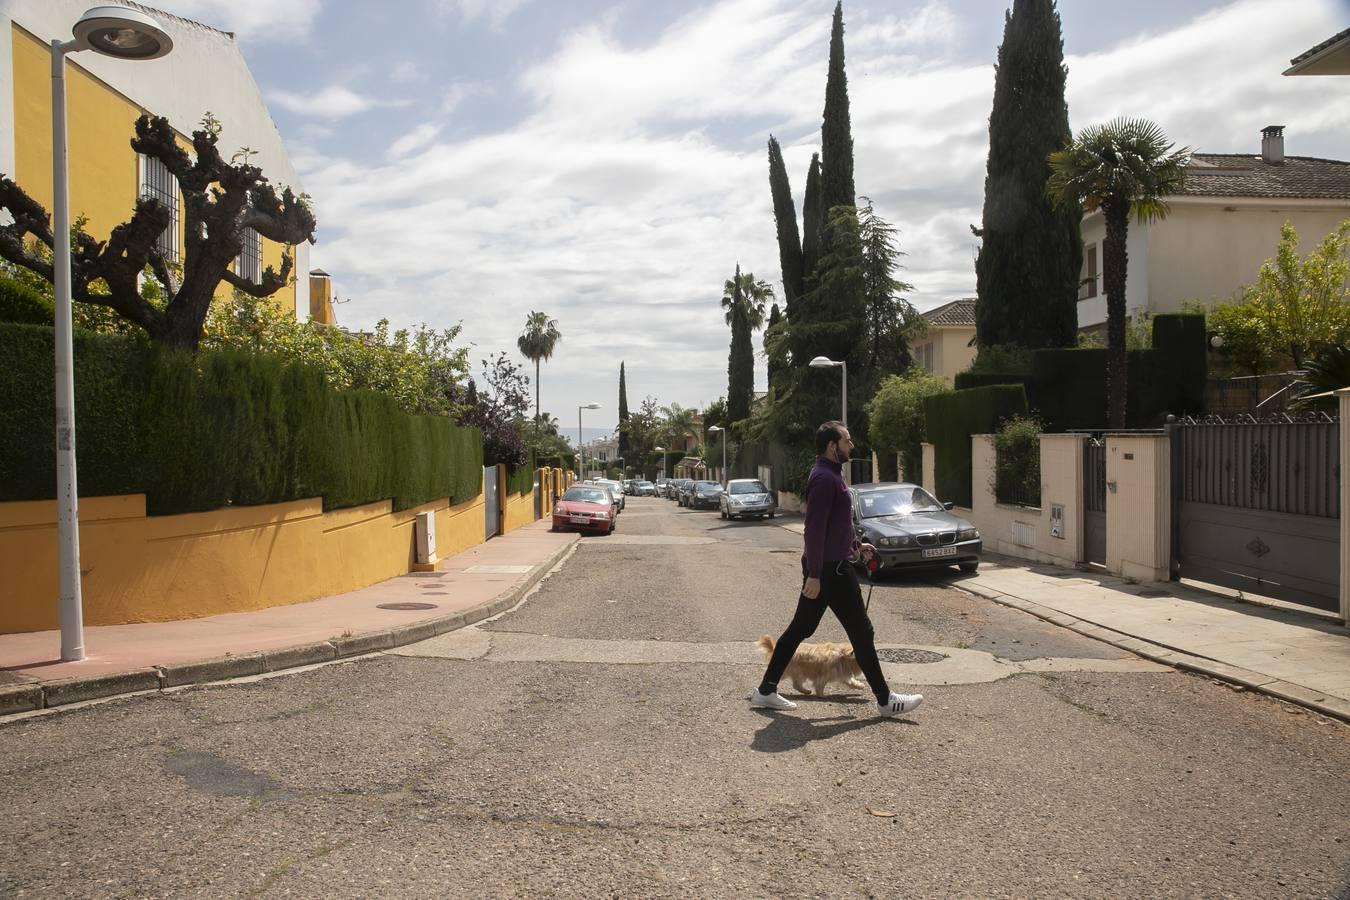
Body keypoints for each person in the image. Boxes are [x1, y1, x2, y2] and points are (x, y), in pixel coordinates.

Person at [750, 421, 924, 718]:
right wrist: (815, 574)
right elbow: (814, 530)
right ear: (833, 445)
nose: (851, 445)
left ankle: (766, 690)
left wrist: (856, 547)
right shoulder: (824, 478)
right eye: (847, 440)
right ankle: (884, 699)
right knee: (860, 632)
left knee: (805, 629)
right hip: (830, 572)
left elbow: (837, 525)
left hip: (835, 566)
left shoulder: (831, 475)